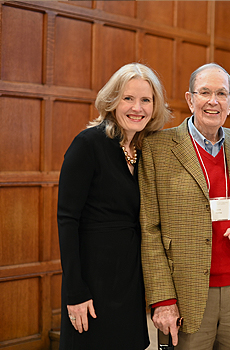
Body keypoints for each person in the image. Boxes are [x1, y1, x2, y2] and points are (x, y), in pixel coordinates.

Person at [139, 63, 230, 350]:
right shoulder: (158, 148)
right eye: (205, 92)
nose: (213, 101)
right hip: (186, 293)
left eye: (221, 94)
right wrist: (163, 300)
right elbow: (149, 229)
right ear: (190, 99)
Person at [57, 63, 172, 349]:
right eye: (128, 98)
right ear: (112, 102)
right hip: (93, 281)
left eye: (146, 100)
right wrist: (75, 291)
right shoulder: (88, 144)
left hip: (130, 279)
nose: (138, 108)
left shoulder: (145, 149)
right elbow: (67, 220)